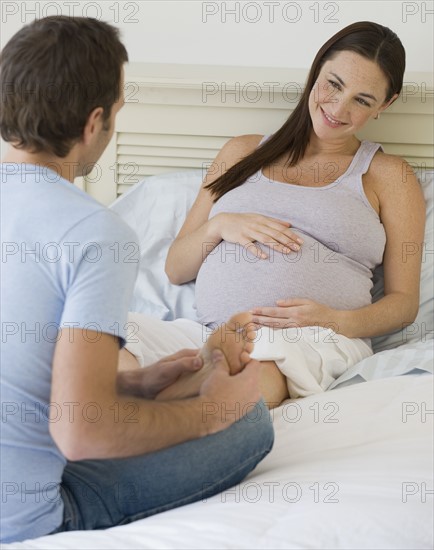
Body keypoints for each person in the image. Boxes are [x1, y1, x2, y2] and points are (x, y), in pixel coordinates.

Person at [0, 16, 274, 544]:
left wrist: (127, 384)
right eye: (118, 112)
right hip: (24, 521)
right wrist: (211, 415)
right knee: (252, 421)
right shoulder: (95, 232)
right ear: (92, 123)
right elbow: (80, 432)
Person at [121, 21, 425, 406]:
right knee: (99, 336)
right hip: (210, 333)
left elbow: (403, 303)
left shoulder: (389, 175)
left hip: (309, 340)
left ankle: (162, 417)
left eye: (362, 100)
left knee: (251, 372)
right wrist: (220, 226)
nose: (338, 107)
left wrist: (335, 320)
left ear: (386, 104)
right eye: (333, 83)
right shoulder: (241, 152)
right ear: (316, 71)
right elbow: (175, 269)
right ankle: (132, 414)